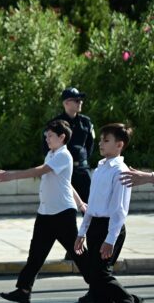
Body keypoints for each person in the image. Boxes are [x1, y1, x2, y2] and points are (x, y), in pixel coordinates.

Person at [0, 120, 90, 303]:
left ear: (62, 137)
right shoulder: (52, 154)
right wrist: (80, 203)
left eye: (51, 136)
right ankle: (23, 291)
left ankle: (101, 287)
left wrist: (11, 176)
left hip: (62, 214)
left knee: (79, 254)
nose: (47, 139)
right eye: (46, 136)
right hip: (46, 213)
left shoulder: (64, 155)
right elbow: (66, 182)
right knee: (35, 255)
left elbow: (42, 171)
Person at [74, 123, 143, 303]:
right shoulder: (99, 168)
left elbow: (119, 209)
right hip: (95, 226)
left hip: (111, 226)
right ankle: (95, 297)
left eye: (106, 140)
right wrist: (82, 232)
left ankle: (129, 301)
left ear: (119, 145)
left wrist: (110, 239)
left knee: (102, 274)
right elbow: (92, 203)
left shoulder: (121, 171)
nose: (100, 144)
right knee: (94, 271)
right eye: (101, 140)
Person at [44, 87, 95, 203]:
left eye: (81, 100)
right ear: (66, 103)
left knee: (89, 207)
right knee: (62, 207)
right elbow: (47, 146)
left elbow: (90, 145)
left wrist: (83, 160)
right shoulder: (55, 124)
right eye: (77, 100)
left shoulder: (86, 122)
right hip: (62, 171)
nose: (80, 102)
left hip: (82, 170)